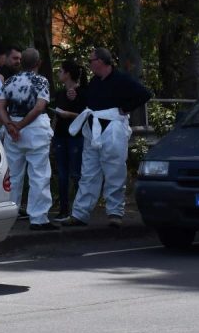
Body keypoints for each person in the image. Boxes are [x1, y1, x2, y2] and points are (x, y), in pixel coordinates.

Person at [60, 47, 152, 228]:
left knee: (114, 171)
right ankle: (80, 214)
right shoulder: (95, 81)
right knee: (88, 172)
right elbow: (88, 100)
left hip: (113, 128)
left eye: (91, 60)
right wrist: (75, 94)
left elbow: (145, 94)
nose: (89, 64)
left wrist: (125, 108)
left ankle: (115, 213)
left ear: (100, 62)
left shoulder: (121, 79)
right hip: (94, 129)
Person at [0, 48, 57, 231]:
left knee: (13, 175)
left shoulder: (10, 81)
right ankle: (38, 217)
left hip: (13, 130)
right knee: (39, 173)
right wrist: (20, 126)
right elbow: (39, 107)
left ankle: (9, 214)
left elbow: (0, 105)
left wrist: (9, 125)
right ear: (38, 63)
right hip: (34, 129)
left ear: (22, 63)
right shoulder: (41, 81)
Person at [50, 60, 87, 219]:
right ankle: (64, 209)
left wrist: (68, 114)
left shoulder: (82, 93)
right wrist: (51, 134)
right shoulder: (59, 93)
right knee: (62, 173)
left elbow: (86, 115)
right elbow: (55, 117)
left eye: (60, 71)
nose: (58, 74)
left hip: (76, 137)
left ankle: (79, 210)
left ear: (68, 74)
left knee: (76, 172)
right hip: (60, 136)